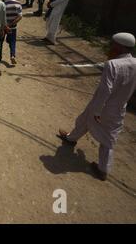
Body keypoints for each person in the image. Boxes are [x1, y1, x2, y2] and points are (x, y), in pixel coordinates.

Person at [57, 33, 136, 181]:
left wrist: (98, 110)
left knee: (89, 122)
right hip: (120, 108)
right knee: (107, 137)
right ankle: (100, 167)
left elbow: (105, 89)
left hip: (102, 105)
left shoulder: (113, 64)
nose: (110, 48)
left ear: (119, 47)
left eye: (112, 45)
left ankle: (74, 141)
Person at [0, 0, 22, 65]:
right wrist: (10, 24)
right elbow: (19, 16)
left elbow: (0, 16)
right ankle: (12, 56)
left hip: (3, 27)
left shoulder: (3, 3)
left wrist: (5, 25)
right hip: (13, 27)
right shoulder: (18, 4)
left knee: (0, 42)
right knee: (12, 42)